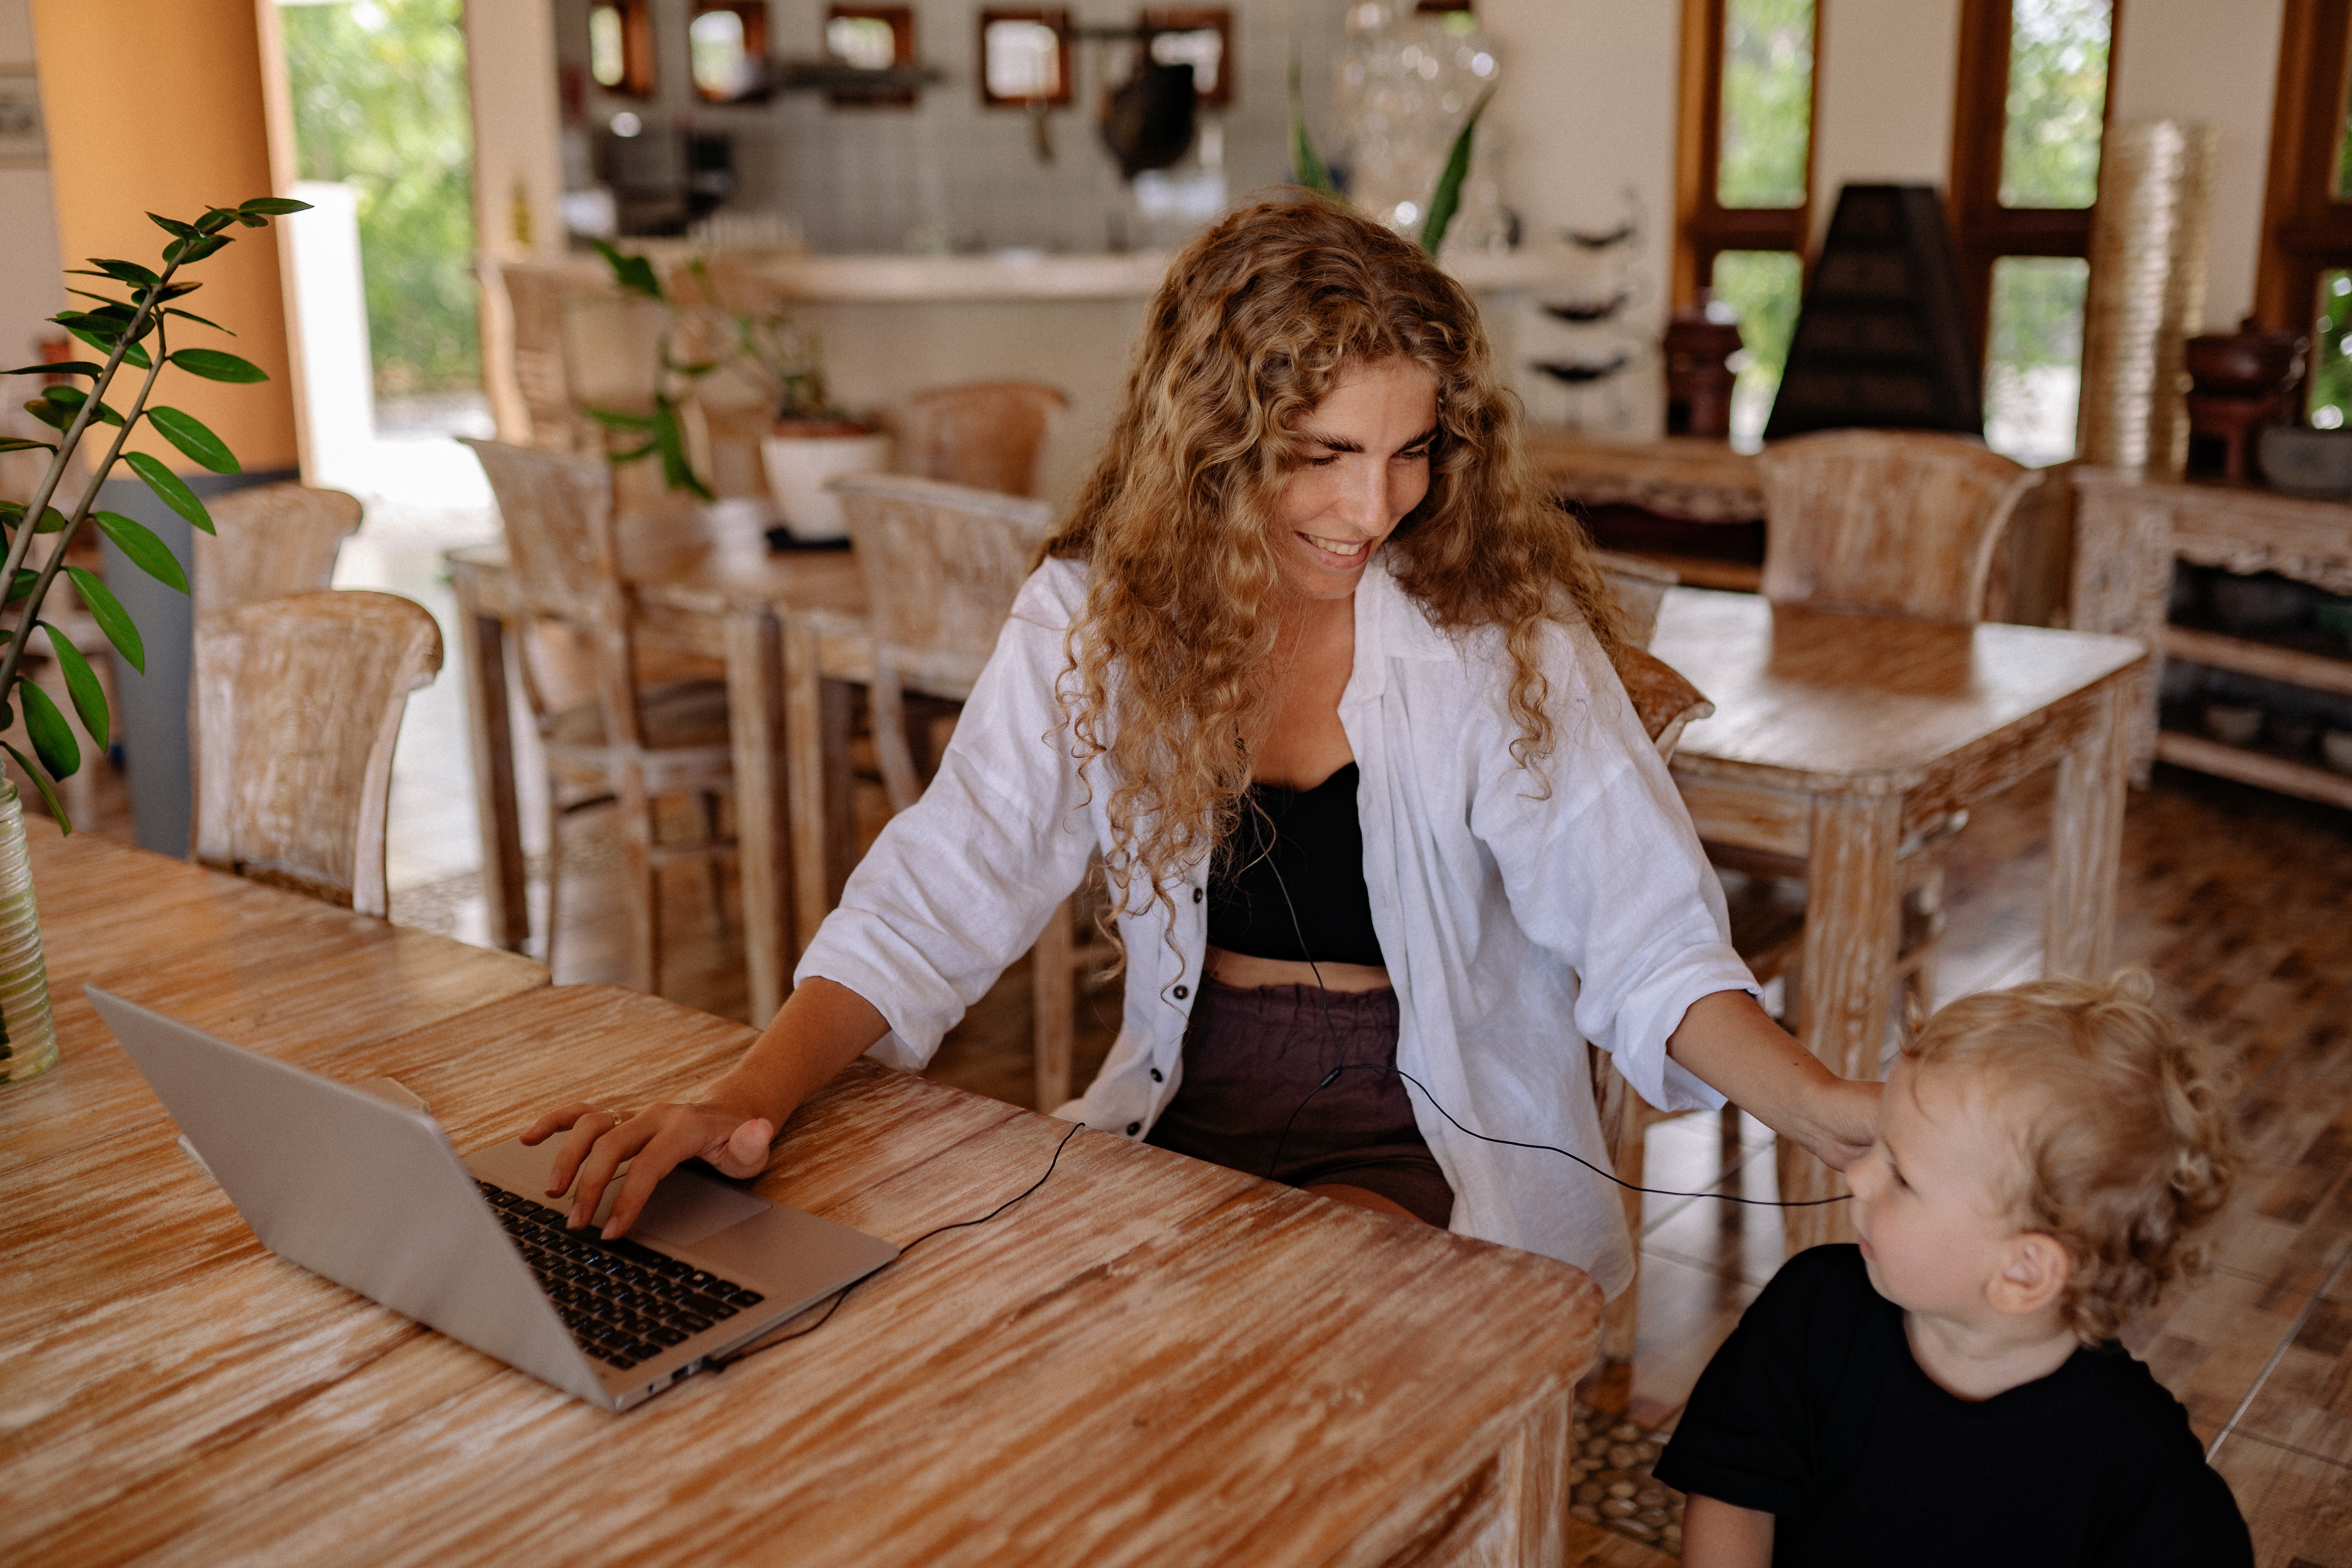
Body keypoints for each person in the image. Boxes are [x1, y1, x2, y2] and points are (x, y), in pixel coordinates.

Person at [523, 192, 1875, 1296]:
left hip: (1424, 1119)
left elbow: (1648, 941)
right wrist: (742, 1100)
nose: (1373, 507)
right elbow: (950, 878)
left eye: (1412, 452)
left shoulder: (1498, 639)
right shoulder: (1099, 617)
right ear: (1215, 443)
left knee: (1271, 1342)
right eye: (1323, 454)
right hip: (1188, 1094)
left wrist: (1818, 1107)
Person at [1656, 973, 2253, 1568]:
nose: (1858, 1177)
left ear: (2022, 1272)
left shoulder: (2140, 1466)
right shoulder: (1814, 1311)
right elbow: (1732, 1495)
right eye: (1877, 1145)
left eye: (1903, 1177)